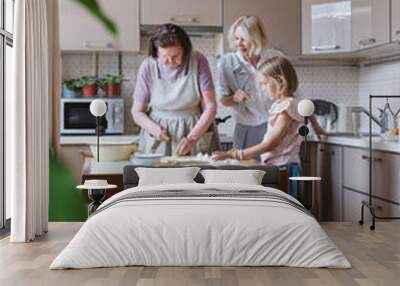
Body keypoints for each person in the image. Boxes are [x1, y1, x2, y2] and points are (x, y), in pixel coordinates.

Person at [213, 56, 311, 198]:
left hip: (285, 170)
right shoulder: (282, 105)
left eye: (265, 84)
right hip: (278, 168)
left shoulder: (288, 106)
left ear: (280, 81)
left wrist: (234, 154)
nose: (263, 89)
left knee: (285, 214)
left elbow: (270, 143)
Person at [131, 23, 218, 156]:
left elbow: (210, 106)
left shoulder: (198, 61)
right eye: (164, 56)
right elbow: (137, 112)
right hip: (159, 135)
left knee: (199, 175)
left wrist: (193, 137)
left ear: (185, 50)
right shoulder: (148, 66)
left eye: (176, 56)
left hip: (195, 130)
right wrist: (153, 129)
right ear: (156, 52)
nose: (170, 61)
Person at [217, 15, 283, 160]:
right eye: (236, 38)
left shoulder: (274, 58)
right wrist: (234, 98)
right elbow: (223, 100)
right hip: (245, 126)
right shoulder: (226, 62)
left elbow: (289, 91)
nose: (238, 44)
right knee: (246, 174)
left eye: (243, 39)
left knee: (273, 172)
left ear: (256, 38)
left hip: (274, 123)